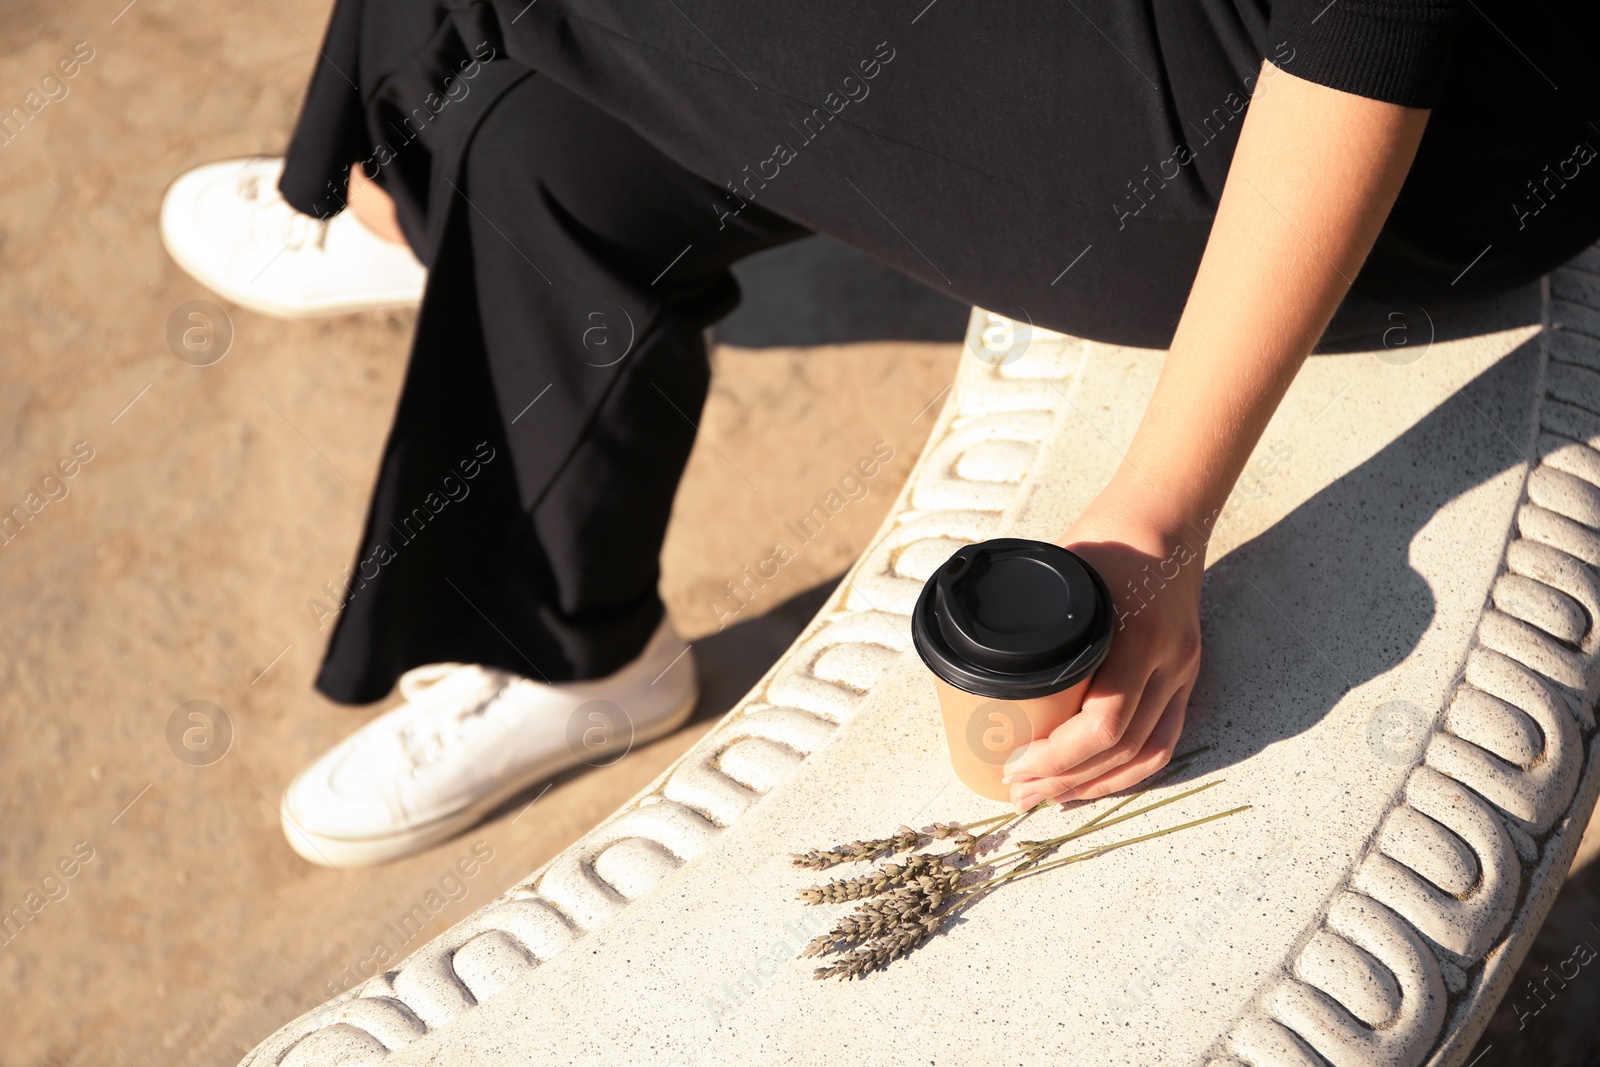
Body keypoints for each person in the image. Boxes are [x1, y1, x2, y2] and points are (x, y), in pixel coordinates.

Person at [159, 0, 1600, 866]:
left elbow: (1372, 40)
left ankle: (382, 190)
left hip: (1400, 122)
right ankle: (563, 633)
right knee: (538, 138)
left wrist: (1157, 517)